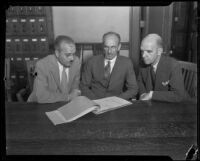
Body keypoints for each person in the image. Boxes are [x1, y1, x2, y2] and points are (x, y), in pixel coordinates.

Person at [80, 31, 138, 100]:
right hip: (95, 102)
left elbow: (133, 89)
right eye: (106, 47)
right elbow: (83, 86)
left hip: (117, 103)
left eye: (113, 47)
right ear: (102, 46)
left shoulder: (127, 63)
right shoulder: (91, 61)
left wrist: (117, 100)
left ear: (119, 47)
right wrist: (96, 101)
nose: (109, 51)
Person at [27, 35, 81, 103]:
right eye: (68, 55)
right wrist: (68, 97)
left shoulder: (76, 62)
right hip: (41, 105)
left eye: (73, 54)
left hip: (65, 105)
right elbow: (40, 96)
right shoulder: (41, 65)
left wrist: (75, 92)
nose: (72, 58)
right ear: (57, 53)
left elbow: (75, 86)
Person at [138, 33, 186, 102]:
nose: (143, 55)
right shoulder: (143, 62)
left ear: (159, 51)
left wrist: (151, 94)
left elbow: (178, 95)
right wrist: (143, 94)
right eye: (142, 51)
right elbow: (140, 81)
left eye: (149, 51)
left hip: (175, 105)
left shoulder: (173, 65)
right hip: (154, 104)